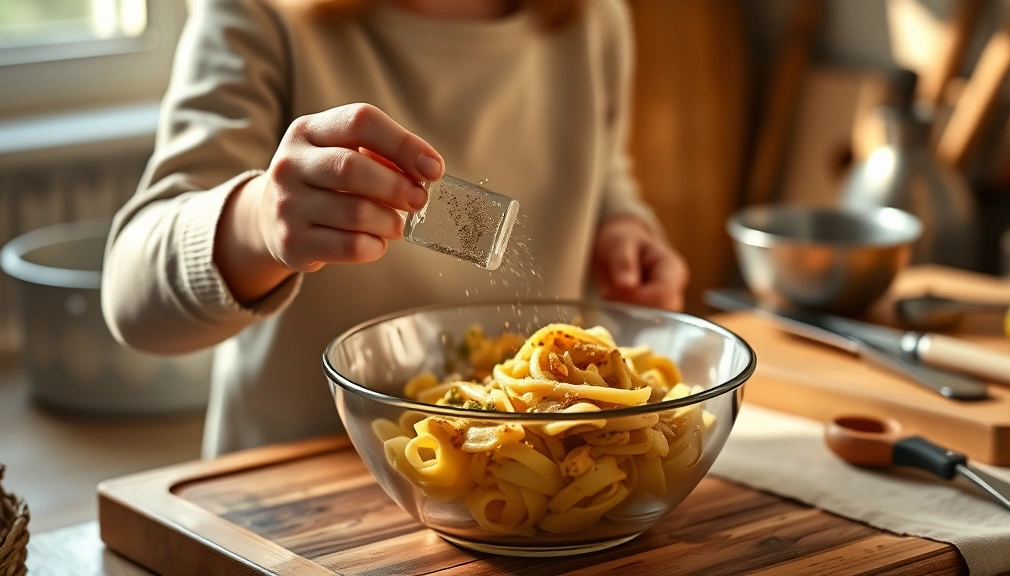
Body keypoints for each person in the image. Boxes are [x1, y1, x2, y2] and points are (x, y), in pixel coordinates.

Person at [101, 0, 689, 458]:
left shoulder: (593, 19)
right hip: (291, 489)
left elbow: (606, 171)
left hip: (532, 476)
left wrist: (624, 228)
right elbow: (131, 297)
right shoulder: (260, 15)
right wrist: (258, 219)